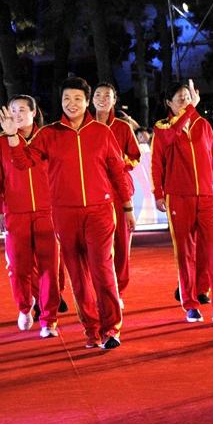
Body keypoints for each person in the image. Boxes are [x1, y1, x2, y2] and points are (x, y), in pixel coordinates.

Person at [5, 77, 134, 349]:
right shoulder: (49, 134)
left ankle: (111, 329)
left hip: (100, 212)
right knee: (77, 275)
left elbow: (118, 172)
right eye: (66, 99)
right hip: (64, 215)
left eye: (77, 99)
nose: (71, 104)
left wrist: (127, 207)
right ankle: (92, 330)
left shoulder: (102, 132)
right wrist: (13, 137)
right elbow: (23, 162)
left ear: (87, 102)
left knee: (102, 269)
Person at [152, 80, 213, 323]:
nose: (185, 102)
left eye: (187, 97)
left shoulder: (203, 125)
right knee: (185, 252)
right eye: (179, 99)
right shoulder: (163, 128)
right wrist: (158, 193)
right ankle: (190, 304)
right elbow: (157, 163)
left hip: (208, 196)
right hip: (178, 198)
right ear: (169, 103)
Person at [0, 95, 61, 338]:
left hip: (47, 212)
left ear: (33, 112)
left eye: (21, 110)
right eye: (13, 110)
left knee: (50, 267)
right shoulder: (0, 142)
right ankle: (25, 307)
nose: (17, 115)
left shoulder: (48, 137)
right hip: (15, 214)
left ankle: (48, 319)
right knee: (18, 267)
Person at [92, 82, 142, 308]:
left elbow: (135, 156)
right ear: (91, 99)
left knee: (121, 244)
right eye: (98, 95)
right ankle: (100, 290)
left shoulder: (123, 127)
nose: (102, 99)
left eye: (107, 96)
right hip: (93, 193)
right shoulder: (84, 126)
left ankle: (118, 289)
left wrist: (119, 165)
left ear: (114, 100)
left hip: (120, 193)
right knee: (96, 246)